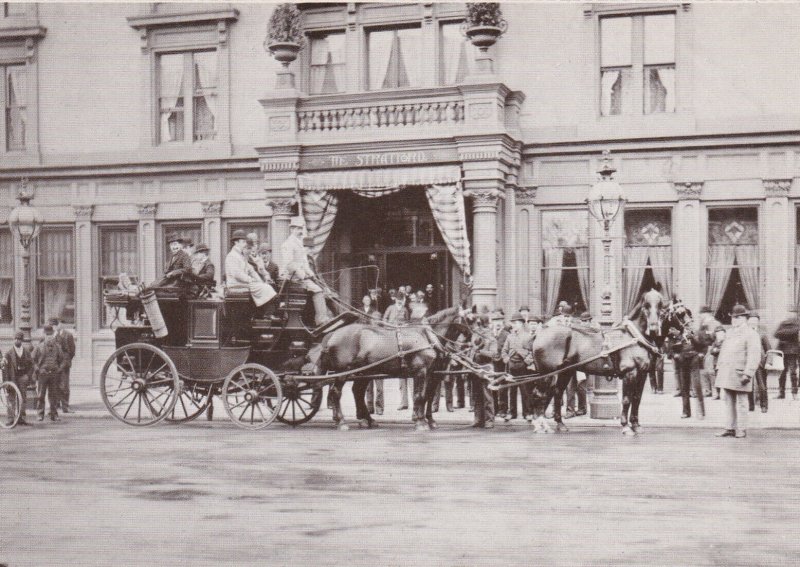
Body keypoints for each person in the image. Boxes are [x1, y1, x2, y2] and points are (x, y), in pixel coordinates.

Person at [715, 304, 762, 439]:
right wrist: (720, 368)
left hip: (741, 373)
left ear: (743, 318)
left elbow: (754, 355)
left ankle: (741, 429)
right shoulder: (730, 333)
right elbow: (723, 352)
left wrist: (748, 373)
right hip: (727, 372)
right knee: (728, 401)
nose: (733, 320)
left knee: (742, 402)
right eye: (733, 317)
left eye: (736, 317)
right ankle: (729, 428)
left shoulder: (751, 334)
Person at [280, 217, 330, 326]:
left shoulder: (299, 243)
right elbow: (289, 264)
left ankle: (322, 318)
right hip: (291, 279)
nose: (300, 231)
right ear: (292, 229)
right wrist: (302, 274)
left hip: (300, 278)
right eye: (298, 229)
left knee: (320, 288)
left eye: (301, 228)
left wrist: (311, 275)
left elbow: (304, 263)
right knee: (317, 290)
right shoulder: (287, 244)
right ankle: (321, 320)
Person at [225, 229, 276, 307]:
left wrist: (259, 281)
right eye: (243, 242)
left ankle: (261, 313)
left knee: (265, 286)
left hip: (243, 283)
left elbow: (251, 270)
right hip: (235, 284)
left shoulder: (241, 256)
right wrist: (251, 280)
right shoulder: (232, 256)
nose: (245, 244)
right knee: (266, 289)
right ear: (236, 242)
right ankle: (263, 313)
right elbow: (237, 274)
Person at [501, 313, 534, 422]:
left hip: (523, 366)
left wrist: (527, 361)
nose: (514, 325)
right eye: (513, 323)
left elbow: (531, 352)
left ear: (520, 324)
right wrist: (506, 359)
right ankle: (512, 413)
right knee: (512, 390)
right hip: (512, 366)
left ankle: (527, 413)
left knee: (525, 390)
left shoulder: (528, 336)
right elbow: (504, 351)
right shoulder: (509, 337)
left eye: (515, 323)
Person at [33, 324, 66, 422]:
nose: (49, 337)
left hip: (54, 374)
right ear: (44, 335)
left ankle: (54, 414)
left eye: (50, 335)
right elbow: (32, 359)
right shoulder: (39, 347)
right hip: (43, 374)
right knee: (41, 395)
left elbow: (63, 360)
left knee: (53, 396)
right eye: (47, 335)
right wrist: (37, 369)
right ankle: (40, 414)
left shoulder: (58, 347)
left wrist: (60, 368)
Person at [383, 291, 410, 410]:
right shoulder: (390, 308)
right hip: (391, 335)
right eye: (398, 299)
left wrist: (404, 326)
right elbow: (384, 320)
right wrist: (390, 326)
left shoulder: (405, 310)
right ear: (395, 300)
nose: (399, 301)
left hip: (403, 335)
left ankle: (407, 402)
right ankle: (403, 402)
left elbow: (408, 322)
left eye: (401, 299)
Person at [470, 315, 497, 429]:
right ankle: (478, 419)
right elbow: (471, 350)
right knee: (476, 395)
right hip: (475, 368)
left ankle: (489, 420)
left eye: (480, 324)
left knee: (487, 395)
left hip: (486, 368)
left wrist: (480, 351)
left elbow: (493, 354)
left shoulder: (491, 338)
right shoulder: (474, 336)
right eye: (477, 324)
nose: (478, 327)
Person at [565, 312, 594, 418]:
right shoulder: (576, 332)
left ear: (590, 322)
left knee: (581, 387)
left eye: (587, 321)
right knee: (570, 386)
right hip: (572, 362)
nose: (585, 323)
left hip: (584, 363)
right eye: (583, 321)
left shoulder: (592, 332)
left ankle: (582, 408)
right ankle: (570, 410)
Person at [4, 331, 33, 426]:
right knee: (11, 398)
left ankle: (21, 418)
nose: (17, 340)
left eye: (19, 339)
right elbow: (5, 369)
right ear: (13, 340)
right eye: (15, 339)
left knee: (22, 398)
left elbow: (31, 365)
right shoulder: (8, 353)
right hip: (12, 378)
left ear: (22, 340)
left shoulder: (26, 352)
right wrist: (7, 383)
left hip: (22, 377)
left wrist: (28, 376)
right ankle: (10, 419)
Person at [361, 294, 383, 416]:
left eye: (369, 300)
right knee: (368, 386)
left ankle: (379, 407)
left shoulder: (375, 311)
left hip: (380, 361)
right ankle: (370, 407)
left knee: (379, 387)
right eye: (366, 299)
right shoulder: (367, 335)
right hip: (370, 361)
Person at [51, 318, 75, 413]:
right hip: (54, 364)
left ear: (59, 325)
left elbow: (72, 351)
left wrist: (66, 360)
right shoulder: (51, 335)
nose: (54, 327)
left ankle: (65, 406)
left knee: (64, 385)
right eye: (53, 326)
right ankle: (56, 404)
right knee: (54, 384)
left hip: (64, 363)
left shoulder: (68, 335)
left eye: (55, 325)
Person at [747, 314, 770, 414]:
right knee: (748, 385)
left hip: (760, 363)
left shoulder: (762, 333)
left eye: (755, 320)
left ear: (758, 322)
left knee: (762, 385)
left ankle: (764, 405)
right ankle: (751, 405)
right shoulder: (745, 333)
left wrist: (768, 362)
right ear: (748, 321)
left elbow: (768, 349)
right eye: (751, 320)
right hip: (747, 362)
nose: (753, 322)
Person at [773, 314, 800, 400]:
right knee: (782, 373)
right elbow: (775, 334)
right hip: (783, 352)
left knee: (793, 373)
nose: (789, 318)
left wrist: (783, 334)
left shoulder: (796, 324)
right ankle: (782, 393)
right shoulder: (783, 324)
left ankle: (794, 393)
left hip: (792, 352)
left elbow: (794, 332)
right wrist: (787, 334)